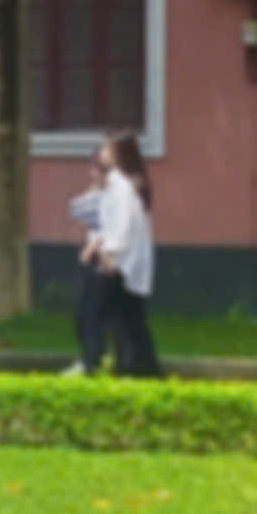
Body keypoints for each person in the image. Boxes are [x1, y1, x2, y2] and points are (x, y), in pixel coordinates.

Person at [84, 131, 161, 379]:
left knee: (98, 313)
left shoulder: (122, 184)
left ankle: (103, 363)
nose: (103, 152)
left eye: (108, 148)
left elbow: (122, 225)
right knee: (127, 318)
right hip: (125, 262)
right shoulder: (122, 182)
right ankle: (137, 366)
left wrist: (109, 252)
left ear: (118, 154)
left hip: (121, 263)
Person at [64, 149, 110, 375]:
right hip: (91, 257)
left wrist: (94, 246)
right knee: (84, 313)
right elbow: (76, 209)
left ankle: (93, 360)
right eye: (93, 169)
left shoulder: (115, 197)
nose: (94, 175)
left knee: (93, 313)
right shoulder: (96, 195)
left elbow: (113, 228)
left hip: (106, 259)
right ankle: (91, 358)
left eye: (100, 170)